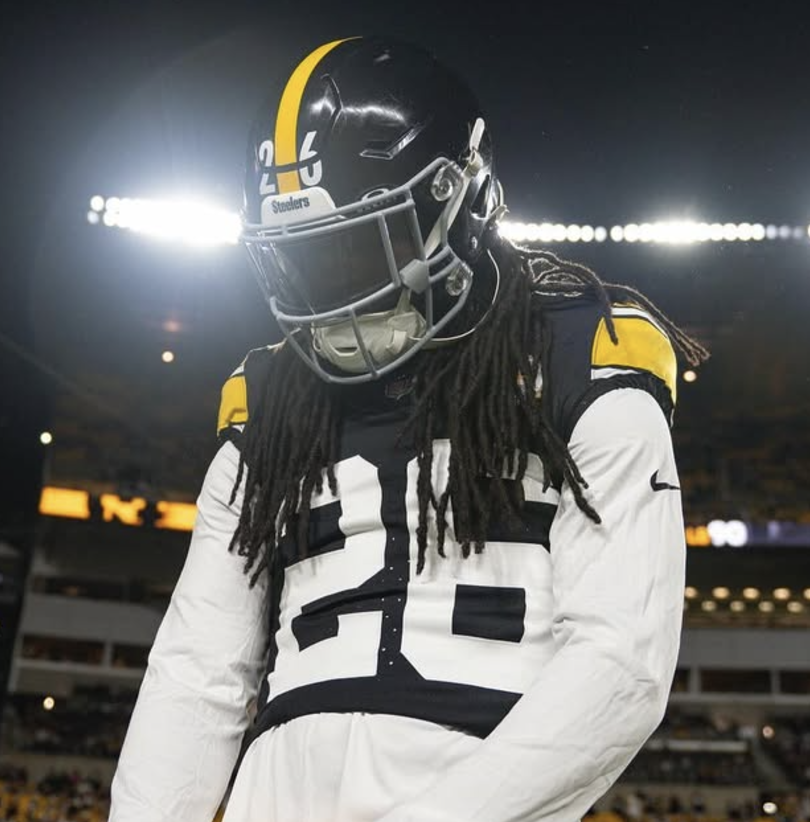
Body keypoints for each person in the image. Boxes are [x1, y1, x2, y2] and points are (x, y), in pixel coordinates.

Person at [109, 35, 708, 822]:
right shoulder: (268, 401)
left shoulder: (581, 354)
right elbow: (197, 669)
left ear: (459, 201)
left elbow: (622, 660)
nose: (331, 293)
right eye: (304, 259)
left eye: (357, 246)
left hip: (482, 782)